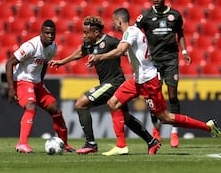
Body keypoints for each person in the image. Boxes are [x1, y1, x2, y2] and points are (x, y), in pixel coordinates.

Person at [87, 8, 221, 156]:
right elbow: (130, 52)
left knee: (165, 117)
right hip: (138, 80)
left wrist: (100, 57)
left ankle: (207, 127)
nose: (114, 25)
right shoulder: (134, 32)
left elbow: (120, 50)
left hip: (149, 81)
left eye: (114, 22)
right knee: (113, 103)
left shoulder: (130, 32)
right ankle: (121, 145)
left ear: (119, 21)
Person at [49, 16, 160, 155]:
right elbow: (80, 52)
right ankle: (151, 141)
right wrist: (62, 62)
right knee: (125, 117)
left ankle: (91, 143)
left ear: (96, 33)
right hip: (108, 83)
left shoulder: (110, 41)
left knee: (80, 104)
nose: (84, 35)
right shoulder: (89, 44)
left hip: (114, 82)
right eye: (83, 32)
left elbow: (126, 49)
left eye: (86, 32)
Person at [135, 0, 192, 148]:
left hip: (171, 60)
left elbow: (180, 34)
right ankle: (156, 130)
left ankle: (174, 132)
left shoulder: (175, 15)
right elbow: (134, 31)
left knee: (173, 96)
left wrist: (185, 51)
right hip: (153, 62)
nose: (156, 0)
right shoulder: (146, 16)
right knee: (155, 97)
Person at [5, 19, 75, 153]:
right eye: (47, 33)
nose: (50, 36)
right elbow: (9, 64)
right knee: (30, 106)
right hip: (22, 81)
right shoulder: (30, 46)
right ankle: (22, 144)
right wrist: (11, 89)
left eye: (52, 34)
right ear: (41, 33)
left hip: (37, 84)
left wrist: (41, 82)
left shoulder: (53, 47)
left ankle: (64, 144)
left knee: (55, 109)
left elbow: (43, 65)